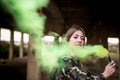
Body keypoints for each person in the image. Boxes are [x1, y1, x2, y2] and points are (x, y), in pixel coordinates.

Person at [51, 24, 116, 80]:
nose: (80, 40)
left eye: (82, 38)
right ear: (68, 41)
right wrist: (104, 75)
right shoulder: (66, 60)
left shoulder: (76, 60)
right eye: (75, 37)